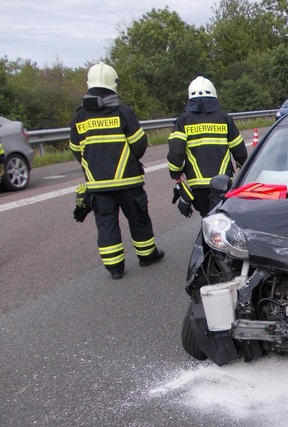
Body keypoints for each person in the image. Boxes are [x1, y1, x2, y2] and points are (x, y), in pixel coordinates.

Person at [69, 62, 164, 280]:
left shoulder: (79, 117)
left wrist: (94, 166)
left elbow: (76, 151)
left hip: (98, 186)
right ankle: (147, 255)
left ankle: (115, 268)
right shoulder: (122, 112)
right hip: (128, 181)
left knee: (106, 224)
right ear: (114, 83)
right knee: (138, 218)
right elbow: (139, 144)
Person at [167, 76, 248, 217]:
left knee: (206, 218)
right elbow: (239, 149)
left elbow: (176, 152)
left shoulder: (183, 121)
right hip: (222, 182)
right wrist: (243, 166)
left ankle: (206, 238)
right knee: (220, 218)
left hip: (197, 184)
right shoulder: (224, 118)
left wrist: (176, 174)